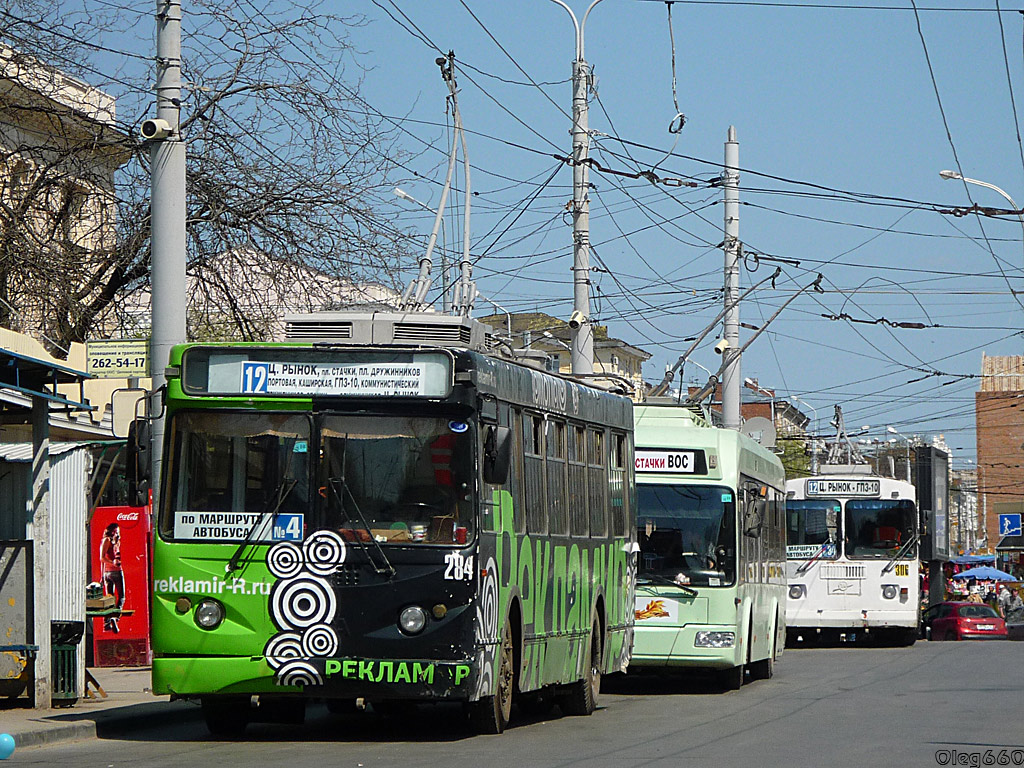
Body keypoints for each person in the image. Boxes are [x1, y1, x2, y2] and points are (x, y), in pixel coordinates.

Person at [100, 523, 124, 633]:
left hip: (107, 572)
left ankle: (107, 624)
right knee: (121, 597)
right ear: (112, 531)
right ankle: (114, 618)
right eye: (116, 531)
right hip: (114, 572)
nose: (118, 533)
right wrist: (113, 563)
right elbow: (102, 558)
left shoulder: (115, 542)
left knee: (111, 598)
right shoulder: (107, 541)